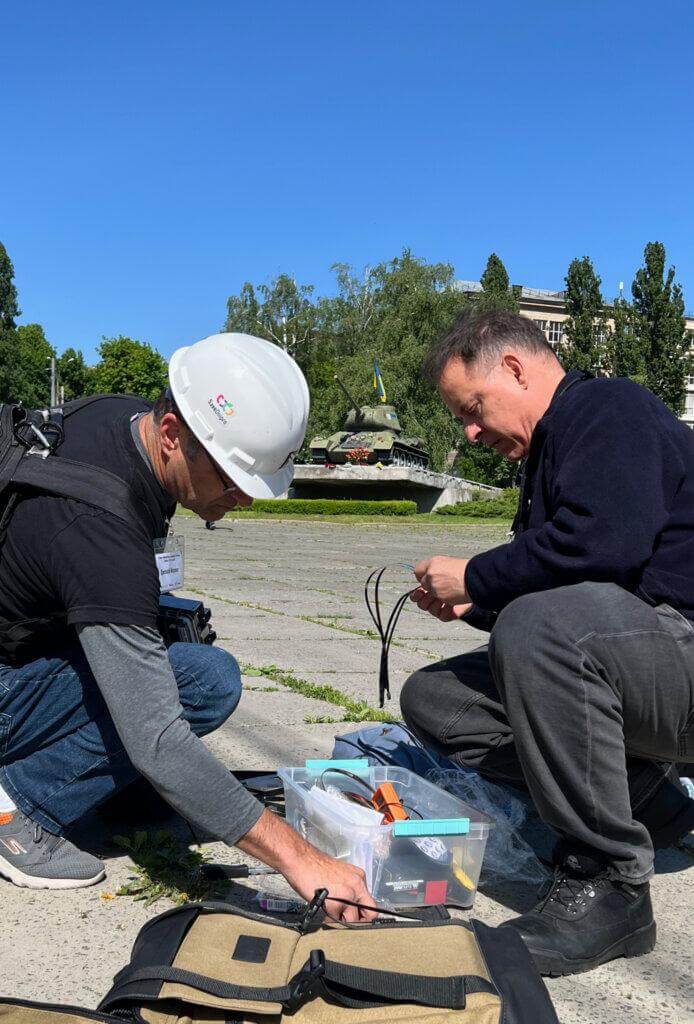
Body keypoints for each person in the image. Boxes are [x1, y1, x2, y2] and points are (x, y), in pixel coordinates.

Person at [0, 332, 375, 922]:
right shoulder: (98, 529)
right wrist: (303, 859)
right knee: (199, 683)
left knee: (189, 662)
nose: (243, 500)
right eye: (232, 478)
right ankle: (15, 806)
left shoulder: (119, 420)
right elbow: (157, 738)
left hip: (21, 646)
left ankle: (103, 788)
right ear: (172, 434)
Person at [401, 310, 694, 975]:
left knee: (537, 626)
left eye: (473, 409)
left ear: (513, 367)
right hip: (646, 654)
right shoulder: (553, 447)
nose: (471, 432)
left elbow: (602, 547)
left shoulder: (604, 407)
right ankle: (646, 797)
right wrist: (476, 604)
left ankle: (610, 886)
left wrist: (475, 575)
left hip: (684, 651)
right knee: (437, 698)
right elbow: (578, 585)